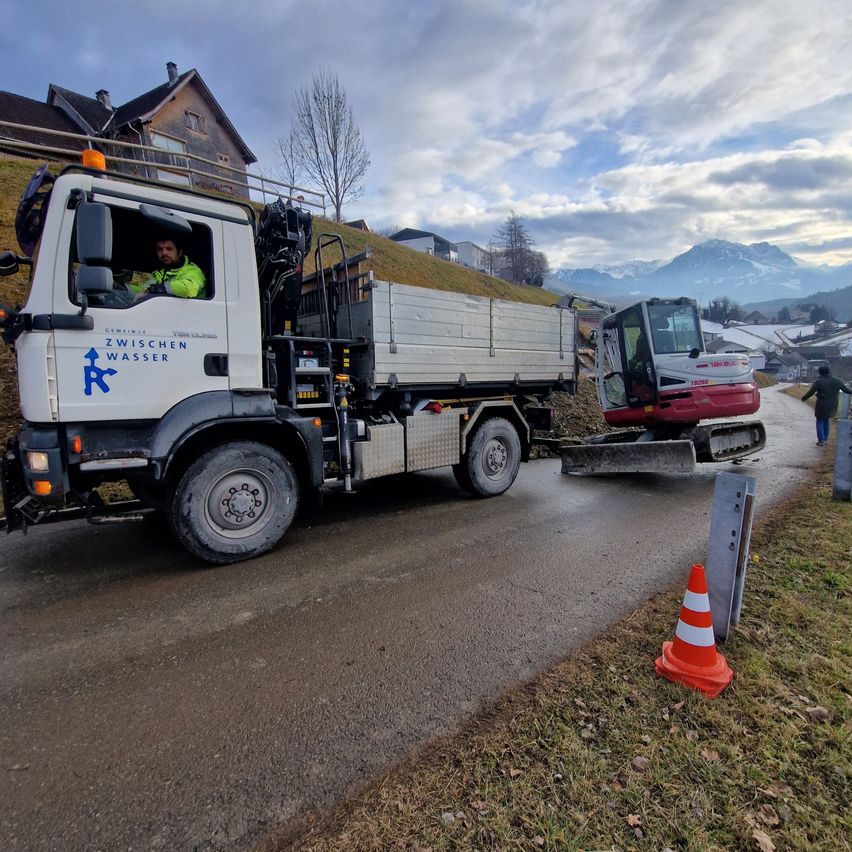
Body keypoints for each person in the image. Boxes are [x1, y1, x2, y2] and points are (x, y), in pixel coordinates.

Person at [131, 236, 206, 299]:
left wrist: (151, 290)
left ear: (180, 252)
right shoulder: (159, 272)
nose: (164, 253)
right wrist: (126, 277)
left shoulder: (194, 271)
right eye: (160, 249)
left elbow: (189, 289)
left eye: (169, 249)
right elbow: (131, 285)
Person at [801, 365, 852, 446]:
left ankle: (821, 440)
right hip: (833, 404)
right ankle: (825, 439)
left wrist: (804, 398)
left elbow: (811, 392)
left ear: (820, 373)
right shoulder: (837, 381)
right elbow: (846, 390)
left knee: (820, 421)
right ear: (828, 372)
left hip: (822, 404)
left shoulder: (819, 381)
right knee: (826, 420)